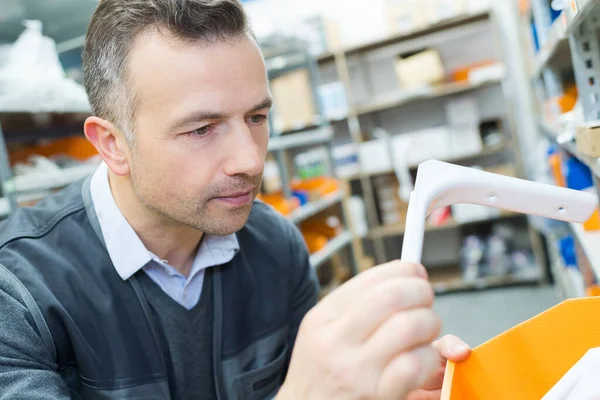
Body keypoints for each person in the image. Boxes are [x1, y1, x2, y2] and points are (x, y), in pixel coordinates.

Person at [0, 0, 471, 399]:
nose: (249, 159)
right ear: (112, 145)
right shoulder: (17, 293)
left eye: (256, 117)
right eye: (202, 129)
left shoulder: (276, 245)